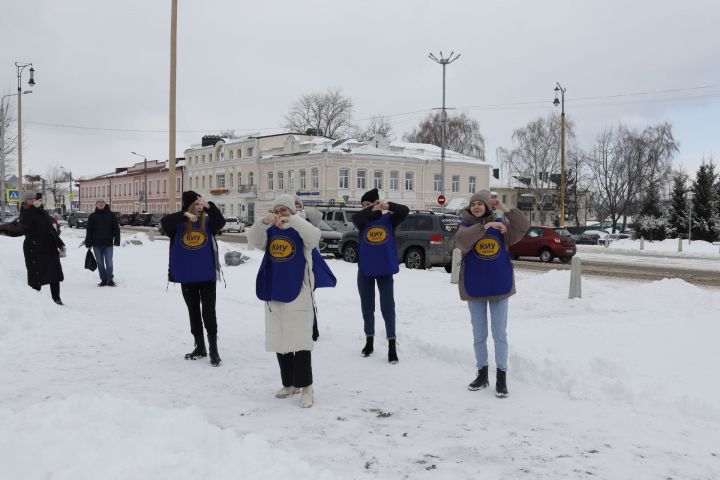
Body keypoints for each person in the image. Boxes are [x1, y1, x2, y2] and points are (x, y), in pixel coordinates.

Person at [454, 190, 530, 397]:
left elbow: (523, 226)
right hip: (475, 287)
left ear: (488, 206)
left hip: (499, 287)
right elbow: (461, 241)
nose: (476, 206)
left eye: (481, 203)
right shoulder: (465, 225)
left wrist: (504, 210)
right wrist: (486, 226)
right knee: (479, 335)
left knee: (499, 335)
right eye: (473, 203)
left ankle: (501, 378)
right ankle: (482, 374)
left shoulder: (503, 229)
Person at [248, 194, 321, 408]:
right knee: (280, 341)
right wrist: (263, 222)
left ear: (292, 211)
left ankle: (306, 387)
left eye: (284, 210)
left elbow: (314, 237)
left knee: (299, 341)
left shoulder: (301, 230)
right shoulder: (270, 232)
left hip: (298, 292)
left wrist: (294, 218)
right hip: (274, 291)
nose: (280, 214)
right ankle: (289, 383)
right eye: (277, 210)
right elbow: (253, 239)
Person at [161, 191, 226, 367]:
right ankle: (200, 347)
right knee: (194, 313)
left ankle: (214, 350)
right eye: (196, 204)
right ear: (189, 206)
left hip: (206, 276)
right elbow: (164, 222)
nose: (199, 207)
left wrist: (209, 206)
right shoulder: (177, 225)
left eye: (200, 204)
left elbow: (221, 222)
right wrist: (184, 214)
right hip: (187, 277)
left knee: (209, 313)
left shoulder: (209, 222)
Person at [352, 188, 409, 364]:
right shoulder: (362, 221)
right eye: (363, 206)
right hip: (365, 270)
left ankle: (392, 345)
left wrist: (387, 205)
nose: (365, 208)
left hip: (385, 269)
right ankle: (369, 341)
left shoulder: (390, 220)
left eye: (369, 204)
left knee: (387, 308)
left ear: (378, 203)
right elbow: (356, 218)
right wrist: (371, 209)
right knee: (367, 307)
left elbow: (405, 211)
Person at [18, 191, 65, 305]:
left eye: (36, 199)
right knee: (36, 277)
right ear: (26, 201)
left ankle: (57, 299)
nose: (34, 201)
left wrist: (59, 242)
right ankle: (36, 303)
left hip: (49, 247)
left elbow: (51, 229)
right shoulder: (24, 212)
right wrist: (33, 208)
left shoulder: (42, 212)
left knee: (54, 275)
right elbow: (25, 225)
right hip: (34, 248)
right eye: (31, 199)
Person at [84, 198, 121, 287]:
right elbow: (89, 230)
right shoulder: (92, 216)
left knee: (109, 262)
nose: (101, 204)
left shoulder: (111, 215)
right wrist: (88, 242)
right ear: (96, 204)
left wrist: (117, 240)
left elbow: (116, 228)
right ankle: (103, 279)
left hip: (108, 243)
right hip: (96, 244)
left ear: (105, 204)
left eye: (102, 202)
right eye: (99, 202)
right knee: (100, 262)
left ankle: (110, 279)